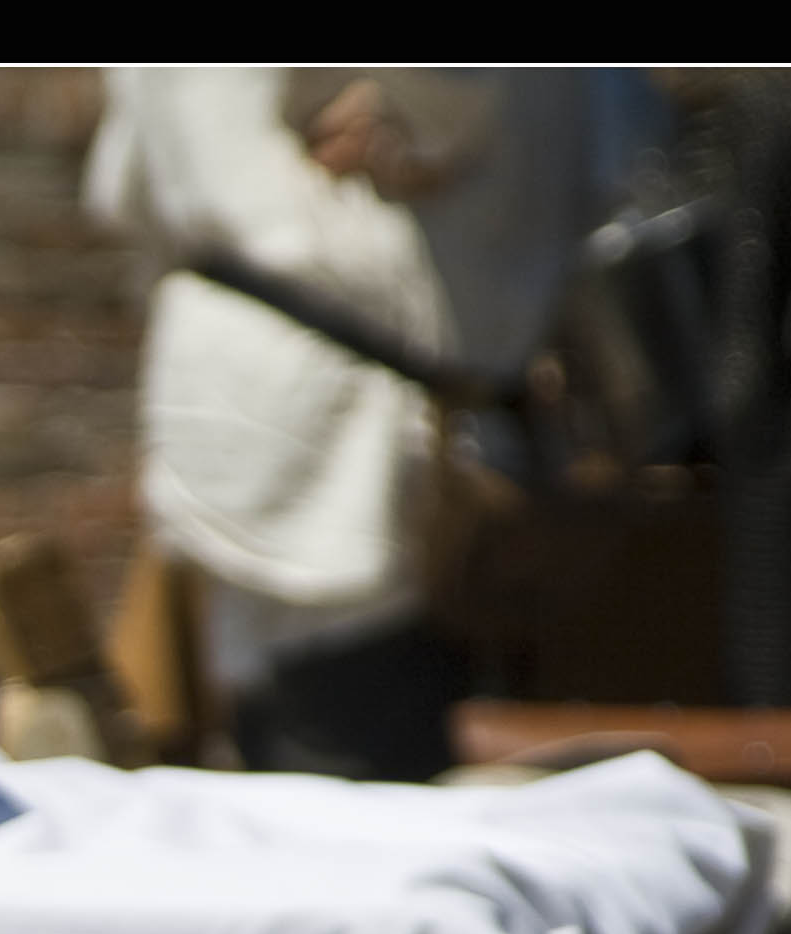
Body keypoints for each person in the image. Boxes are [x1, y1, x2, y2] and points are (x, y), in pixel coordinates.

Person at [89, 69, 657, 779]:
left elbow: (125, 186)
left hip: (302, 390)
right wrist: (419, 122)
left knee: (314, 753)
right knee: (361, 774)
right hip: (359, 418)